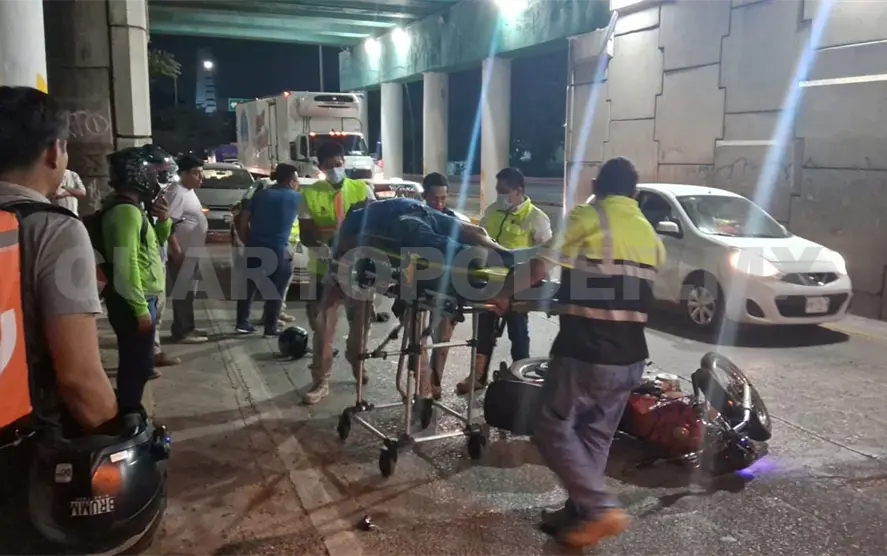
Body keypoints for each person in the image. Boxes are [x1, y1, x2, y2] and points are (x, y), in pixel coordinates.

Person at [487, 157, 665, 548]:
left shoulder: (589, 216)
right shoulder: (649, 234)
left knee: (550, 425)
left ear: (597, 186)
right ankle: (581, 514)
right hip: (631, 357)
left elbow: (539, 268)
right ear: (634, 193)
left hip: (587, 350)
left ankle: (599, 509)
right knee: (594, 437)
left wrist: (503, 294)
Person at [0, 85, 119, 437]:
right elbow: (79, 380)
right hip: (25, 437)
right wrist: (118, 434)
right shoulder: (53, 229)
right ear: (54, 151)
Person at [331, 196, 516, 401]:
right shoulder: (358, 218)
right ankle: (492, 256)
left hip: (421, 212)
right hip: (407, 217)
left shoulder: (371, 213)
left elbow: (350, 246)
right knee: (436, 238)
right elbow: (352, 244)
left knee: (466, 233)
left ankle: (502, 255)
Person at [456, 166, 552, 394]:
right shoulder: (492, 211)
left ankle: (521, 379)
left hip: (518, 285)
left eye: (503, 191)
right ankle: (478, 377)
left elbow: (545, 256)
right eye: (498, 190)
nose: (499, 194)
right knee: (483, 331)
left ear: (518, 190)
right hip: (489, 281)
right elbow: (479, 239)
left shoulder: (536, 218)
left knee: (517, 332)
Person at [98, 145, 176, 412]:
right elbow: (125, 264)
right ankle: (129, 413)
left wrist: (163, 221)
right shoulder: (125, 212)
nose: (158, 182)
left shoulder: (134, 209)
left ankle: (131, 409)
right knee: (135, 365)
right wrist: (141, 310)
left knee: (141, 364)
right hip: (134, 300)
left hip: (142, 297)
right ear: (140, 176)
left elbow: (154, 245)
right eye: (155, 174)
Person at [299, 141, 375, 405]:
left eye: (339, 163)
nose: (335, 168)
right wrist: (324, 244)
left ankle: (357, 361)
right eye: (330, 165)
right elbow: (306, 234)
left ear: (345, 162)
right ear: (320, 167)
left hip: (359, 271)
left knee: (360, 328)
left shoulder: (362, 189)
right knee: (323, 330)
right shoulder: (310, 193)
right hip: (325, 271)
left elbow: (375, 227)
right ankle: (321, 380)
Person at [234, 163, 301, 336]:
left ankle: (242, 323)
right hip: (279, 249)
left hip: (254, 246)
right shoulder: (296, 197)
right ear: (291, 180)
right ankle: (270, 327)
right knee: (277, 289)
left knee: (248, 287)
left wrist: (246, 240)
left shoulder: (260, 195)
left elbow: (243, 219)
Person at [421, 172, 470, 399]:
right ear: (425, 196)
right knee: (416, 341)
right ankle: (421, 381)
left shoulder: (453, 221)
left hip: (446, 290)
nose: (439, 204)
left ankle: (435, 382)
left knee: (442, 339)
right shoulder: (415, 218)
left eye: (443, 198)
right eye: (434, 199)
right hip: (417, 289)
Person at [166, 154, 209, 344]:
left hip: (192, 252)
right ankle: (182, 332)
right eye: (196, 173)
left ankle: (188, 327)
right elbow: (167, 224)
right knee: (183, 292)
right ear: (183, 174)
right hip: (182, 253)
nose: (201, 178)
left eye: (201, 173)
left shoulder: (188, 191)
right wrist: (176, 251)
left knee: (189, 292)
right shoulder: (177, 192)